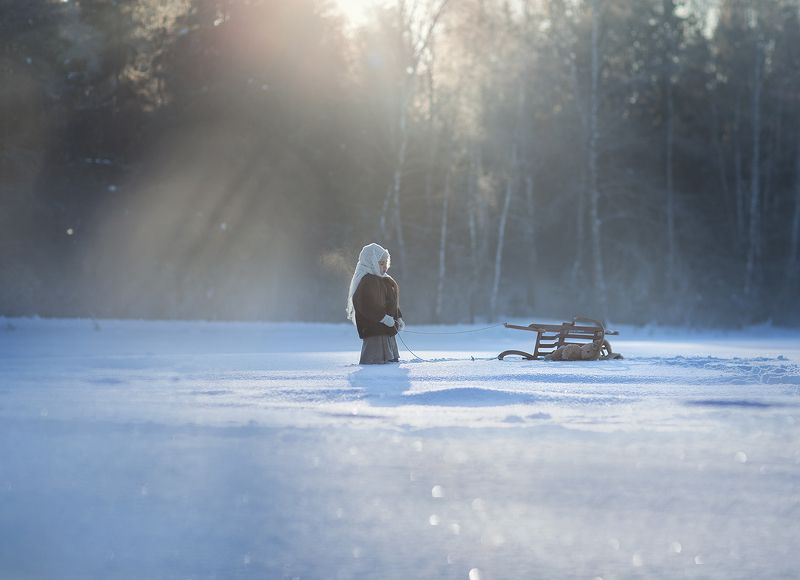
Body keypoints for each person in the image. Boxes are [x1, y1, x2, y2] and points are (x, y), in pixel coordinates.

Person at [346, 243, 405, 364]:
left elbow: (391, 301)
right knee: (376, 363)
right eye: (381, 263)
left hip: (387, 331)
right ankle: (374, 380)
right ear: (371, 262)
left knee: (390, 363)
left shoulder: (384, 280)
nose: (385, 267)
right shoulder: (367, 280)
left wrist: (398, 317)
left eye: (386, 263)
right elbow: (365, 305)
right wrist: (383, 318)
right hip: (374, 331)